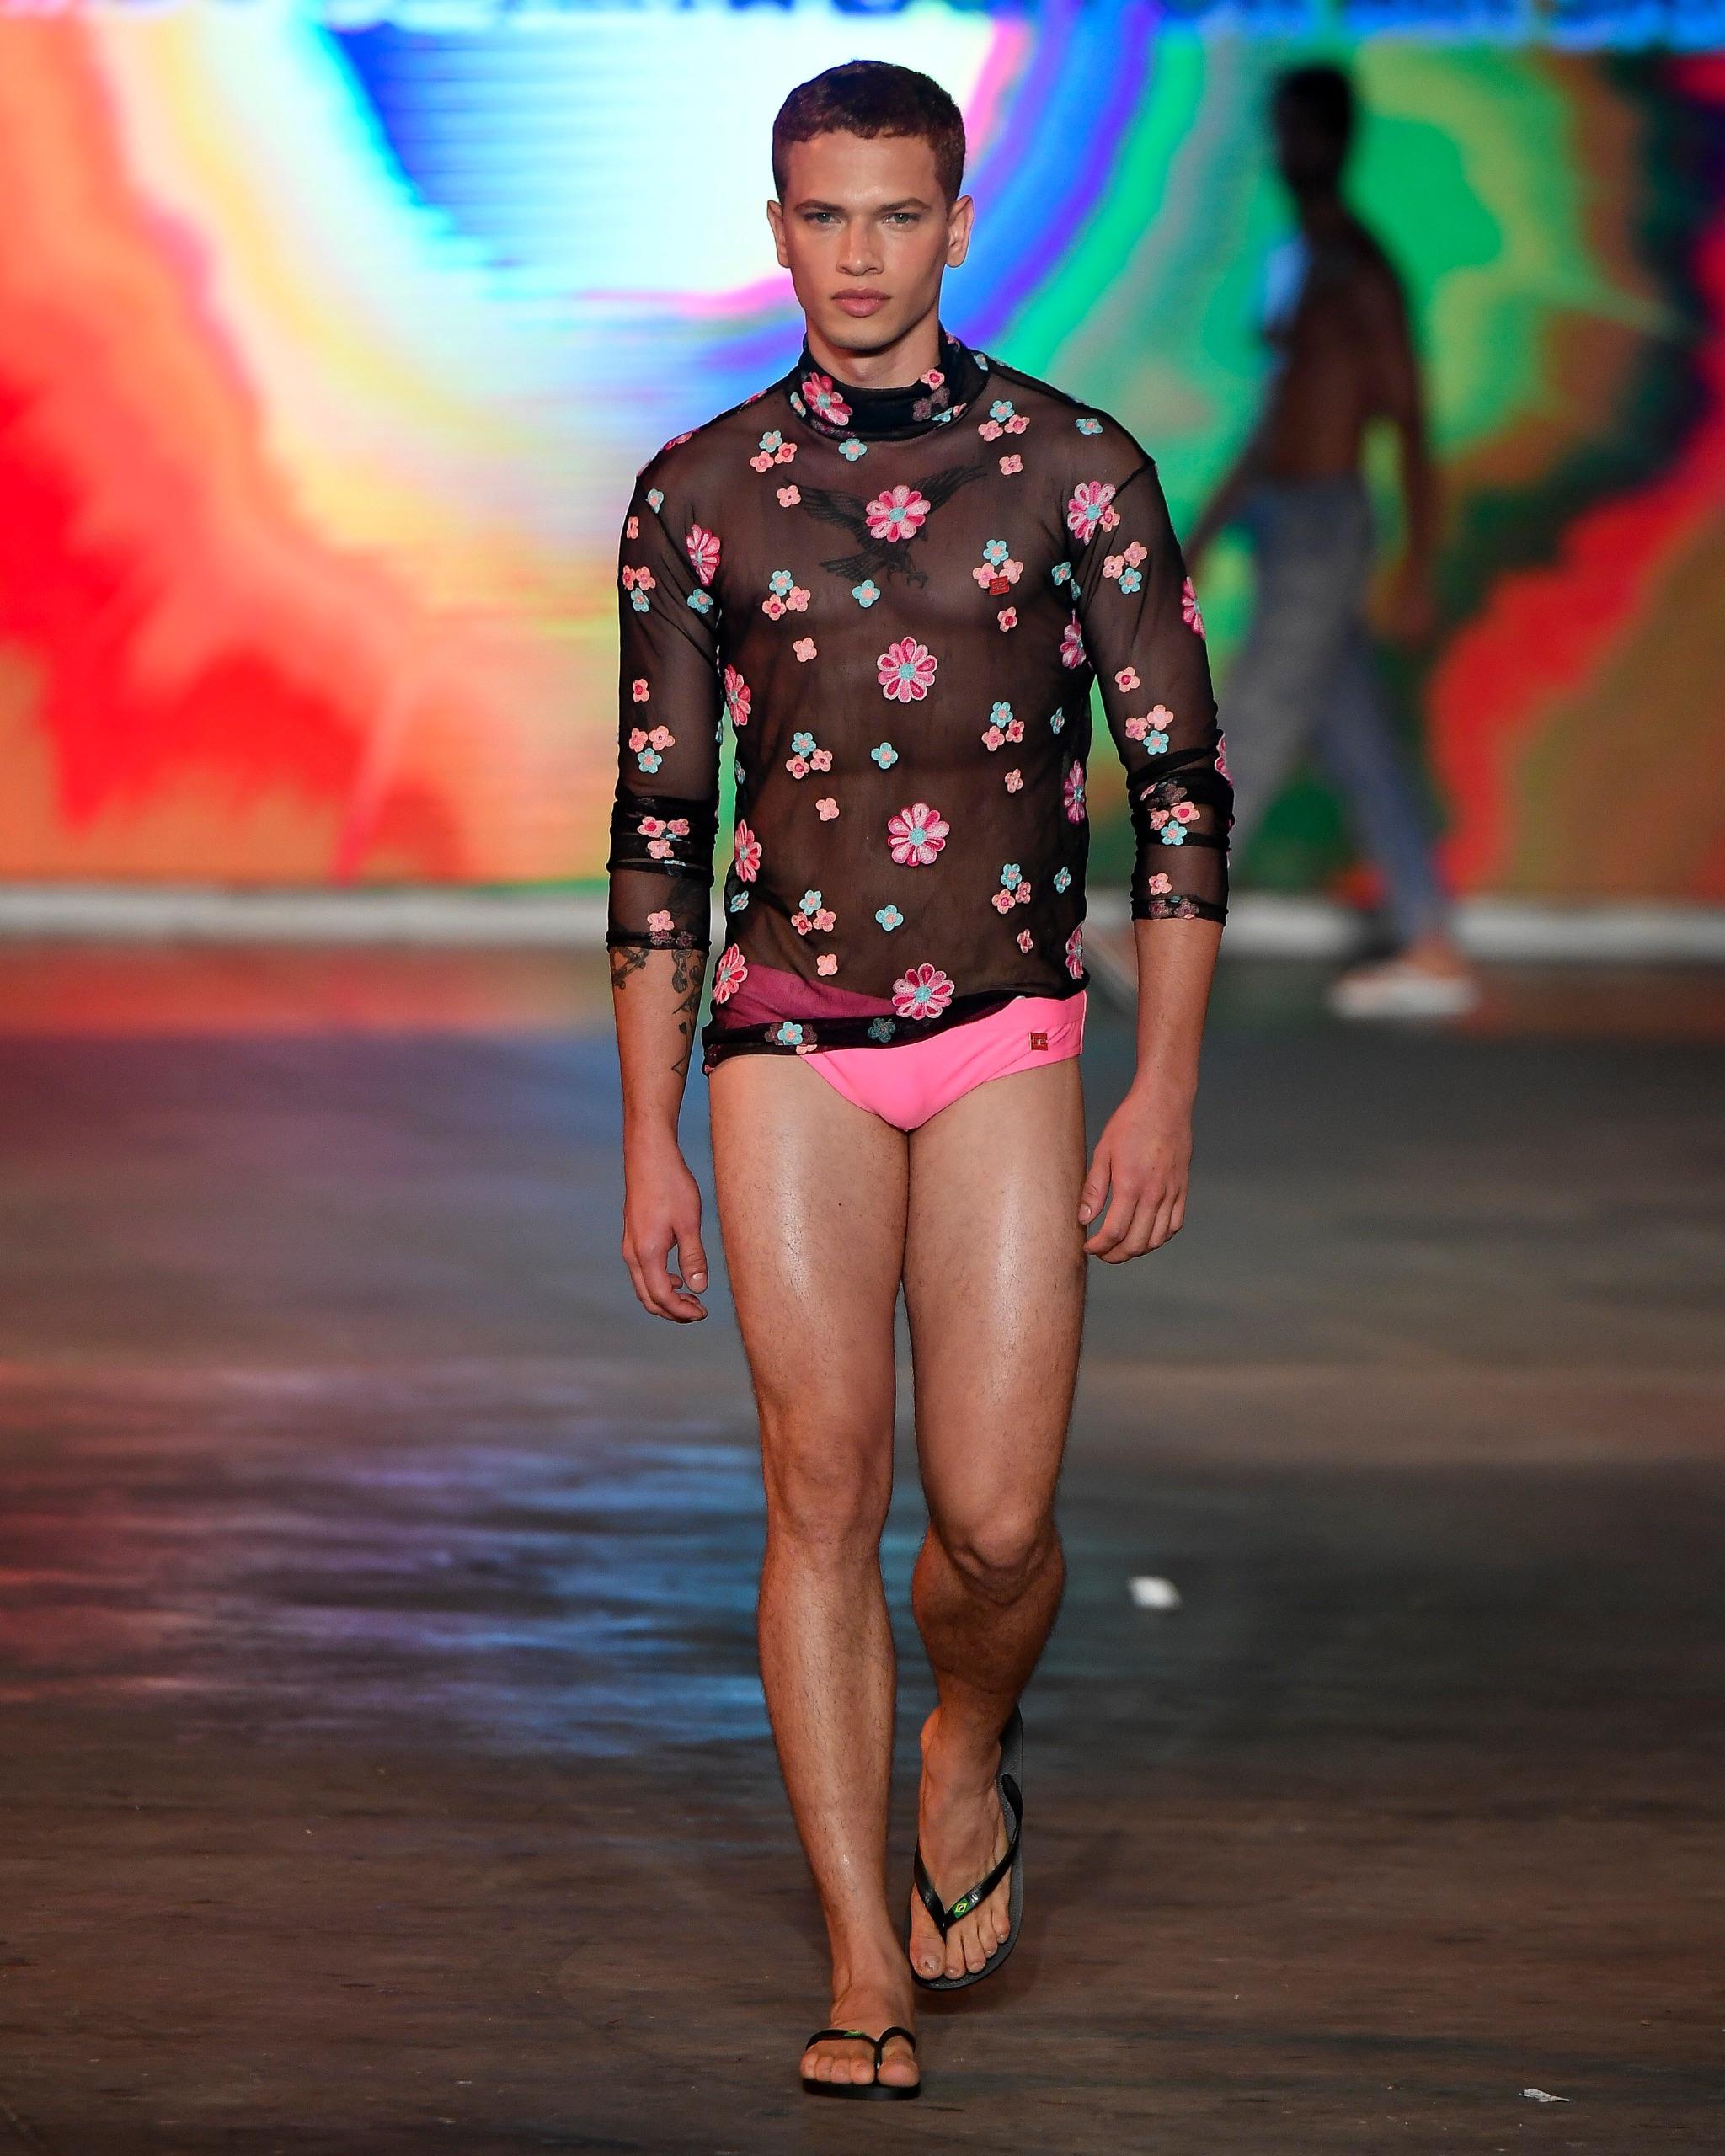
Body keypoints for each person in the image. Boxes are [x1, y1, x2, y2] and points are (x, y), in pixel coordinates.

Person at [605, 61, 1231, 2099]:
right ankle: (860, 1952)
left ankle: (966, 1735)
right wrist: (646, 1133)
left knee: (997, 1520)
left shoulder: (1079, 469)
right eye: (822, 213)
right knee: (819, 1486)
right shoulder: (696, 493)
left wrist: (1163, 1088)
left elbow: (1180, 786)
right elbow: (658, 821)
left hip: (1007, 1026)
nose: (856, 254)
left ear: (957, 223)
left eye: (894, 213)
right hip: (782, 1030)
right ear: (775, 227)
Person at [1188, 61, 1478, 1020]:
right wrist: (1209, 526)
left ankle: (1171, 928)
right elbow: (1277, 414)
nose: (1284, 150)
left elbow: (1409, 419)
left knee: (1255, 721)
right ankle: (1429, 937)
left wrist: (1419, 560)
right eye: (1277, 131)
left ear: (1335, 140)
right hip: (1283, 516)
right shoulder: (1298, 261)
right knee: (1355, 741)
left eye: (1299, 131)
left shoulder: (1361, 267)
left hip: (1324, 523)